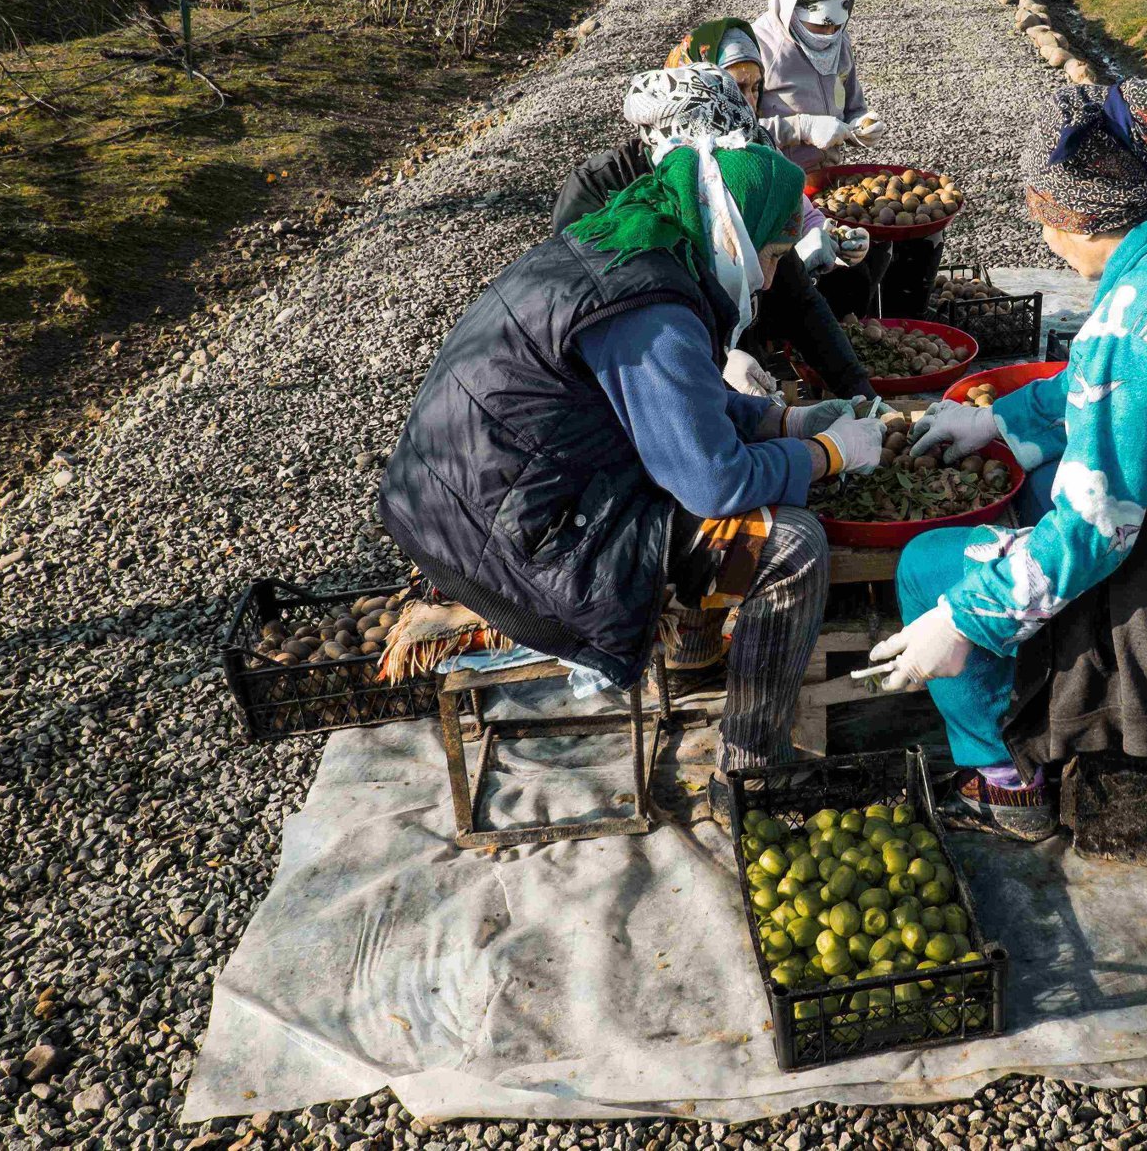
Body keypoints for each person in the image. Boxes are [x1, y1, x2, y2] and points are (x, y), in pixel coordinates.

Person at [380, 130, 888, 819]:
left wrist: (783, 423)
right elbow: (715, 482)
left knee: (728, 500)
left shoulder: (633, 240)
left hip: (467, 496)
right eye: (771, 257)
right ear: (735, 234)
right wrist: (831, 454)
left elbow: (674, 407)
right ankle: (750, 770)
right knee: (790, 545)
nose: (770, 281)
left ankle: (698, 645)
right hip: (517, 536)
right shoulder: (652, 307)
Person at [873, 79, 1147, 840]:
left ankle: (1005, 783)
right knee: (1045, 488)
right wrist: (997, 424)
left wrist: (964, 617)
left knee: (929, 563)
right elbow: (1101, 391)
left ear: (1076, 218)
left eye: (1043, 216)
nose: (1042, 236)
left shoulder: (1137, 316)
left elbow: (1094, 528)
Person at [549, 62, 875, 400]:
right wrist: (717, 358)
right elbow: (600, 319)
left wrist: (858, 391)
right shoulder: (599, 190)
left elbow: (798, 299)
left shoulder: (735, 186)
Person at [753, 0, 942, 321]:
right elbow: (736, 133)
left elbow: (852, 103)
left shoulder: (839, 44)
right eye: (816, 24)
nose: (826, 33)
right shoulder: (759, 49)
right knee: (824, 280)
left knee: (871, 261)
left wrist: (860, 125)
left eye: (836, 24)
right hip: (781, 188)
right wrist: (801, 127)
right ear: (790, 5)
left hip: (833, 184)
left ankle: (867, 331)